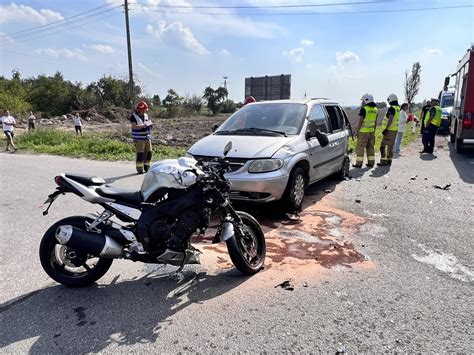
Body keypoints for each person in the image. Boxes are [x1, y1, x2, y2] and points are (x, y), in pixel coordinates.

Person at [353, 93, 378, 168]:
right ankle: (371, 163)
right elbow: (375, 122)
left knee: (360, 148)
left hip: (363, 132)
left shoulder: (364, 109)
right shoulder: (375, 109)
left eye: (363, 101)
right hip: (371, 131)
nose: (362, 102)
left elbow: (360, 121)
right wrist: (373, 131)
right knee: (370, 147)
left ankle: (359, 164)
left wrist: (357, 131)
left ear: (366, 101)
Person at [130, 101, 153, 174]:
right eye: (143, 110)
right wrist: (143, 126)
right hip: (139, 139)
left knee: (149, 153)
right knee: (140, 154)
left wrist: (150, 125)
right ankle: (139, 169)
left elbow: (147, 122)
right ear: (139, 109)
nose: (144, 111)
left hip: (147, 138)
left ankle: (147, 167)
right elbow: (134, 126)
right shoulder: (133, 116)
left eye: (145, 110)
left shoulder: (145, 115)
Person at [378, 93, 400, 166]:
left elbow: (390, 119)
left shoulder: (392, 108)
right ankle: (389, 160)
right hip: (395, 130)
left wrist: (386, 129)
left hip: (389, 130)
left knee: (382, 146)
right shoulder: (398, 108)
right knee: (390, 146)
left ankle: (383, 161)